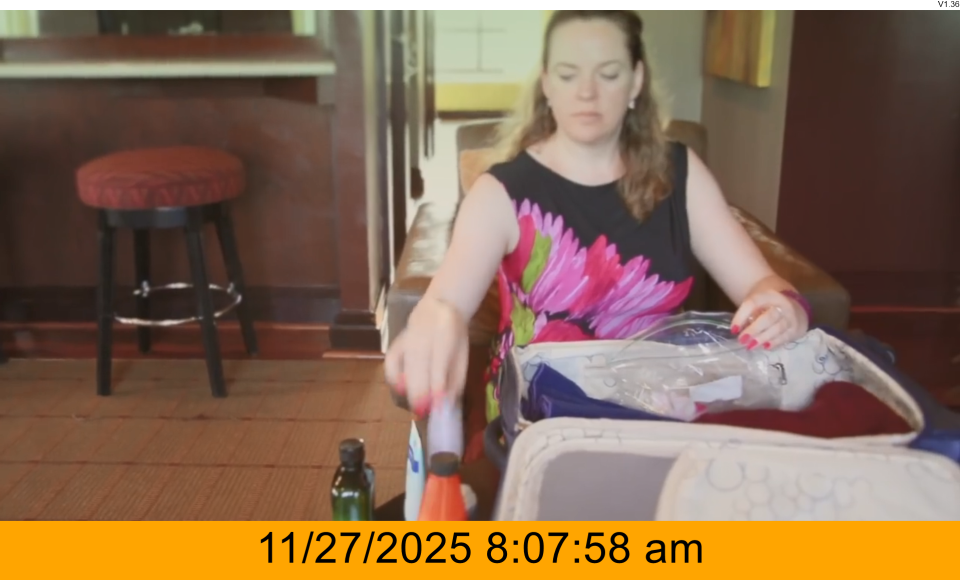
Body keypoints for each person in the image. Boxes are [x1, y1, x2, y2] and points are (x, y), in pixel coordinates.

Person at [385, 11, 811, 449]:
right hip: (541, 428)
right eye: (568, 74)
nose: (587, 92)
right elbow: (446, 300)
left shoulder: (681, 175)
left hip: (661, 417)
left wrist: (784, 308)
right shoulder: (501, 192)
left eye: (608, 74)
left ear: (636, 81)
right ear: (547, 83)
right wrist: (435, 319)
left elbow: (762, 284)